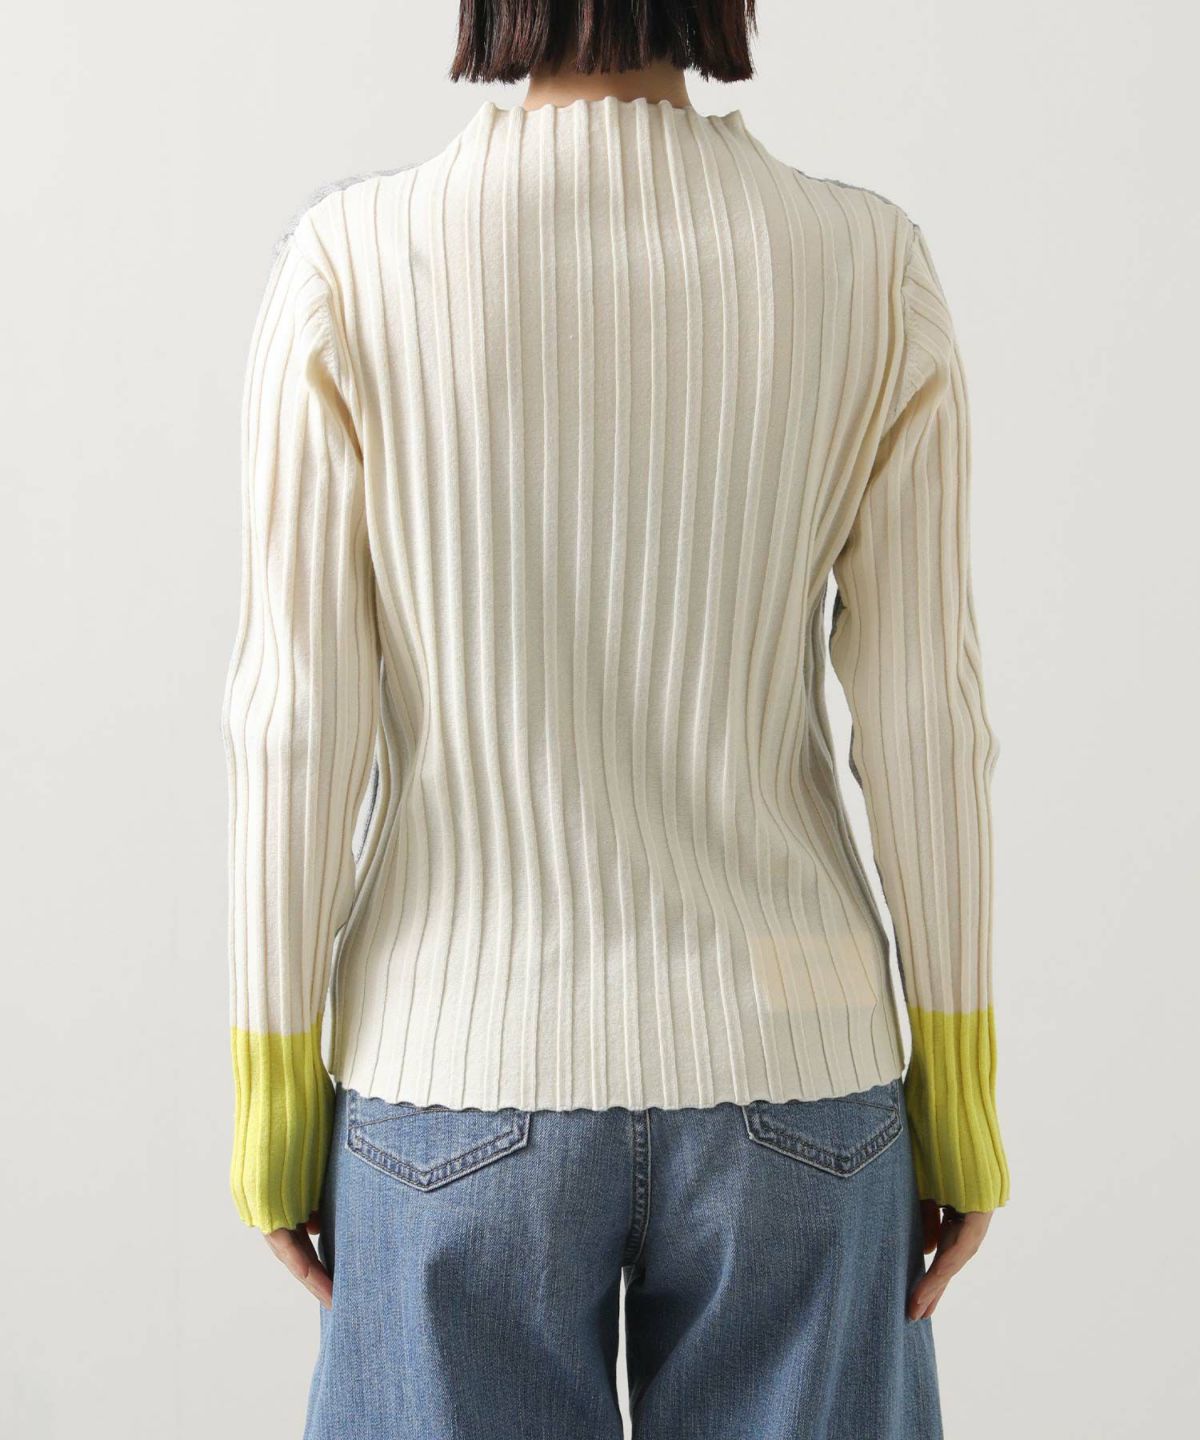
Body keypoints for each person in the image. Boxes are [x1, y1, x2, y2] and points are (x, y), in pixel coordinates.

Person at [221, 2, 1010, 1434]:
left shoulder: (352, 266)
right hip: (802, 1065)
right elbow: (927, 723)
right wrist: (957, 1089)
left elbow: (294, 725)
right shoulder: (864, 265)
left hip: (452, 1071)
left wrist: (275, 1097)